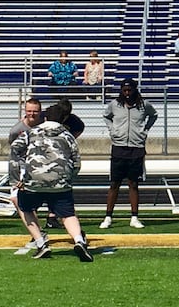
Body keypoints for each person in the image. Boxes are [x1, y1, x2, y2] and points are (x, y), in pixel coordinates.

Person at [10, 103, 93, 261]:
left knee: (25, 208)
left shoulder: (30, 133)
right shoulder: (67, 135)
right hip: (60, 181)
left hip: (33, 180)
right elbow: (76, 160)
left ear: (45, 117)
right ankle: (79, 241)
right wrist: (70, 177)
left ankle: (41, 242)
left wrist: (16, 177)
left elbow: (14, 149)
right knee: (68, 214)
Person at [100, 78, 158, 229]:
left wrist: (144, 130)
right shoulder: (114, 104)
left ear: (134, 90)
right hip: (119, 147)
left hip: (136, 148)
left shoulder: (144, 105)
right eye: (124, 90)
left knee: (133, 183)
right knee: (115, 183)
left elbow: (154, 115)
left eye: (129, 90)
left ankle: (134, 217)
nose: (127, 93)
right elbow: (106, 116)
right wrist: (113, 130)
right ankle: (108, 217)